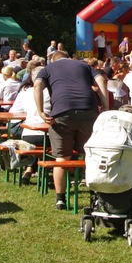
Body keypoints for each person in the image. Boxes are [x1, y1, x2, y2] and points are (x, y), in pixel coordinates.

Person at [34, 49, 109, 211]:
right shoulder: (83, 65)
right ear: (68, 58)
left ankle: (61, 199)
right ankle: (95, 195)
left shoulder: (48, 69)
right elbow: (102, 81)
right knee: (90, 154)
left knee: (61, 158)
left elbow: (37, 85)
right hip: (88, 109)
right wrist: (105, 107)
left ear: (54, 60)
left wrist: (41, 111)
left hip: (61, 112)